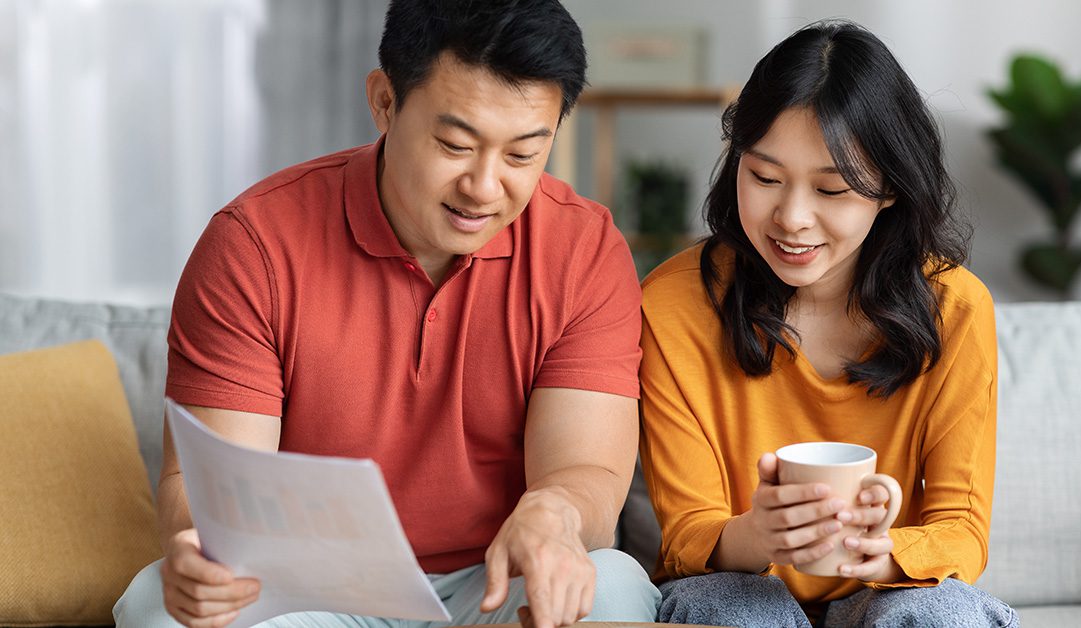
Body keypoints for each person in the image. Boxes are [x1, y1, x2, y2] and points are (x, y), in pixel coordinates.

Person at [113, 1, 661, 626]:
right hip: (307, 588)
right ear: (384, 102)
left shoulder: (583, 250)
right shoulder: (253, 245)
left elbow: (585, 468)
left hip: (499, 582)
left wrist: (556, 512)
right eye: (455, 144)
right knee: (162, 608)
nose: (484, 187)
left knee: (612, 584)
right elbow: (206, 488)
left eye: (522, 156)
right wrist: (203, 556)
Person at [638, 20, 1018, 628]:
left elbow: (961, 531)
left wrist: (881, 553)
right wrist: (758, 535)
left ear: (889, 186)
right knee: (735, 612)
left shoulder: (957, 308)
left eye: (833, 189)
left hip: (885, 591)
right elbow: (687, 535)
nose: (791, 218)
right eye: (763, 177)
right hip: (738, 587)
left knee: (944, 615)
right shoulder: (673, 305)